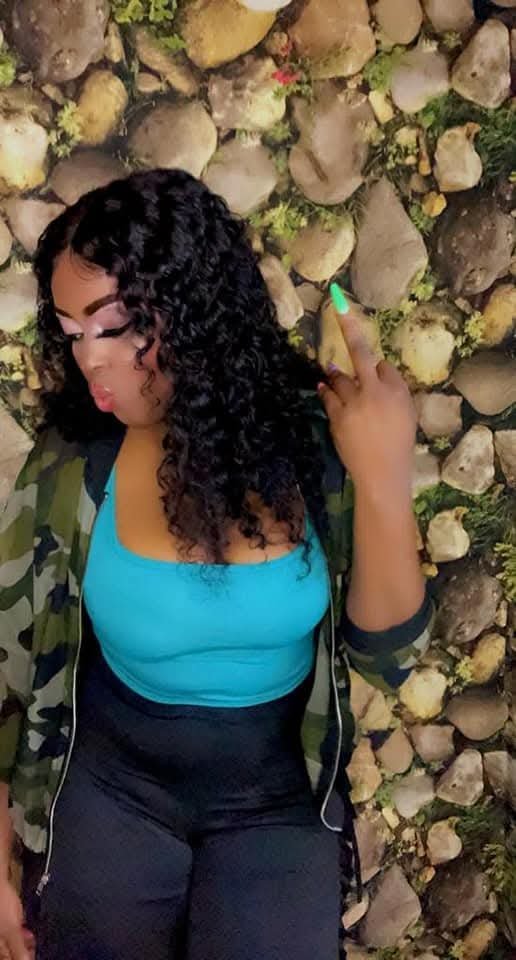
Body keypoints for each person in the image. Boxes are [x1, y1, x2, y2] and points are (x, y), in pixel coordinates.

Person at [0, 169, 434, 960]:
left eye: (114, 326)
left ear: (195, 309)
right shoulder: (73, 462)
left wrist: (382, 477)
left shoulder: (316, 443)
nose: (90, 361)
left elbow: (389, 656)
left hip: (277, 792)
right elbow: (13, 665)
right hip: (110, 780)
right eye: (70, 332)